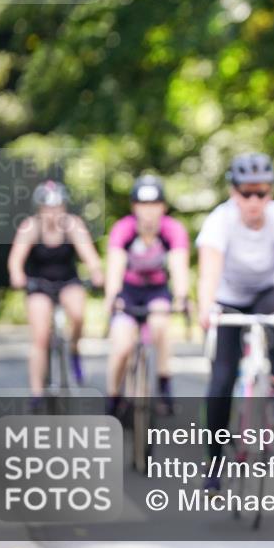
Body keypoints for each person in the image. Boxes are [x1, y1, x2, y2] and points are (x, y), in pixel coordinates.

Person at [197, 152, 274, 492]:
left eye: (262, 192)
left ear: (271, 193)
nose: (254, 201)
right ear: (233, 192)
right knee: (221, 380)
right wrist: (206, 308)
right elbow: (208, 272)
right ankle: (215, 463)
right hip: (229, 298)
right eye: (246, 193)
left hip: (269, 291)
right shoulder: (219, 221)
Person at [7, 180, 104, 399]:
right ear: (40, 209)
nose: (53, 213)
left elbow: (90, 257)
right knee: (40, 336)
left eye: (58, 207)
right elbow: (15, 261)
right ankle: (36, 392)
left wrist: (97, 272)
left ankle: (74, 350)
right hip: (39, 285)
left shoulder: (73, 225)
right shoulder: (30, 227)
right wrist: (17, 276)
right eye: (48, 208)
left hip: (68, 281)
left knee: (78, 315)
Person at [103, 175, 190, 417]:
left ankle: (164, 386)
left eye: (154, 205)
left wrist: (182, 296)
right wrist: (112, 297)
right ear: (134, 207)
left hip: (156, 291)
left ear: (163, 207)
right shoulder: (124, 229)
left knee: (160, 326)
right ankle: (113, 396)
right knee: (122, 345)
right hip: (128, 292)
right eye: (143, 205)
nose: (149, 211)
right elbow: (115, 266)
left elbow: (179, 265)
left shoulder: (173, 230)